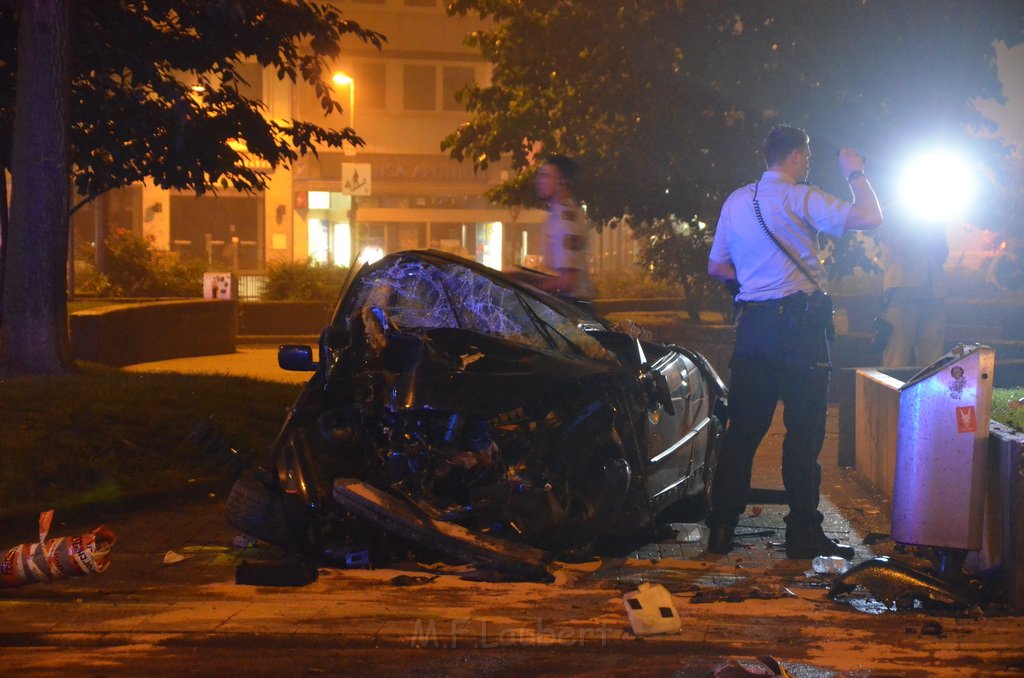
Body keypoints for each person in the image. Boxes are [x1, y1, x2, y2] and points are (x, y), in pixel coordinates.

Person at [706, 124, 883, 560]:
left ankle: (722, 530)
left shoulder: (736, 201)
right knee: (804, 434)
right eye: (806, 156)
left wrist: (753, 289)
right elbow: (870, 217)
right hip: (800, 333)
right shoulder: (801, 196)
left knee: (743, 432)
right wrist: (856, 172)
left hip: (753, 330)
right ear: (798, 157)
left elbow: (717, 267)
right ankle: (802, 533)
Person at [877, 208, 948, 368]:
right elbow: (897, 245)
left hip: (934, 293)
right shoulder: (892, 209)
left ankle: (928, 393)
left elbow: (942, 252)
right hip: (902, 292)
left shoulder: (935, 212)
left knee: (933, 363)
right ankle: (891, 394)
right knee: (896, 359)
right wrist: (915, 219)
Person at [534, 155, 591, 299]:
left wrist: (529, 290)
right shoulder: (557, 214)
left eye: (546, 176)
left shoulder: (565, 220)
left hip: (569, 310)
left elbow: (568, 281)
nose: (539, 181)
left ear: (562, 182)